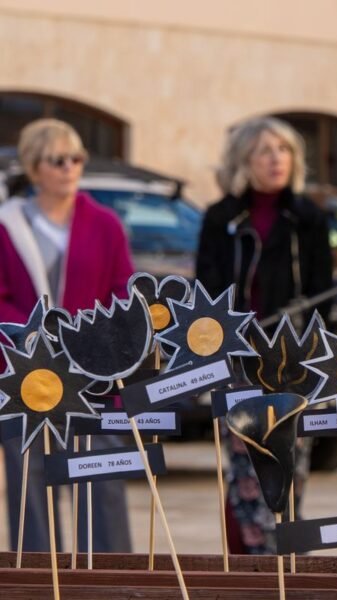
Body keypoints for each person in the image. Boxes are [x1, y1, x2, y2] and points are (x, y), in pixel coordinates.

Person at [195, 116, 333, 554]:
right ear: (244, 161)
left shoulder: (308, 217)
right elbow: (206, 292)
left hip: (294, 364)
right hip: (237, 362)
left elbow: (321, 291)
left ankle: (287, 562)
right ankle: (256, 566)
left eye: (285, 149)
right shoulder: (221, 219)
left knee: (291, 466)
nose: (277, 159)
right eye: (265, 150)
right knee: (246, 471)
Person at [0, 118, 133, 552]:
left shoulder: (106, 224)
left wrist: (97, 341)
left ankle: (113, 580)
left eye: (77, 158)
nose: (70, 168)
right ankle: (38, 578)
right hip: (27, 373)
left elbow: (122, 294)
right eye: (58, 160)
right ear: (35, 166)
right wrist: (36, 334)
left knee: (100, 476)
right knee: (30, 480)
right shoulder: (7, 225)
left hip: (93, 372)